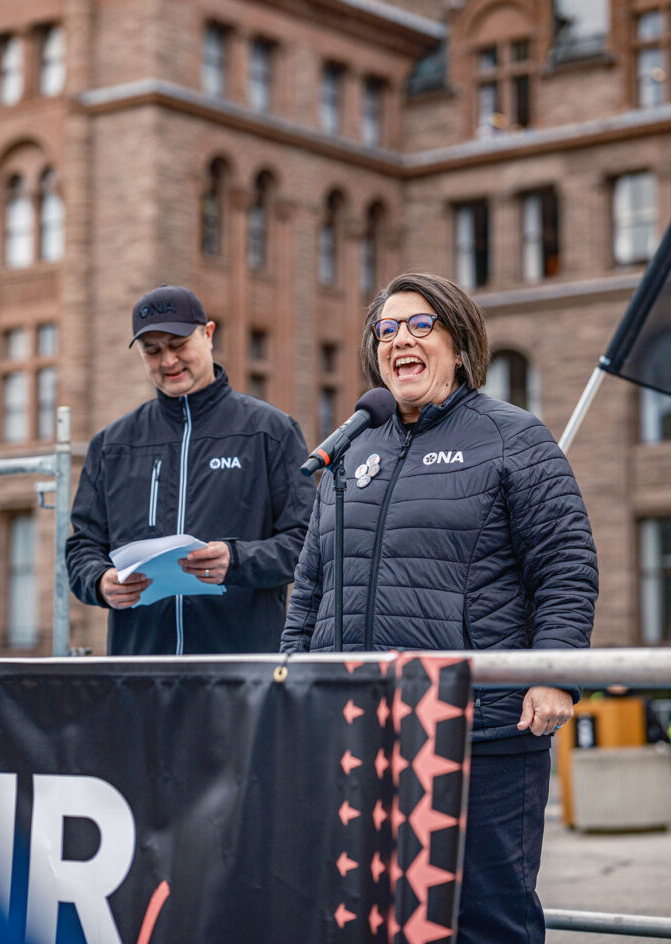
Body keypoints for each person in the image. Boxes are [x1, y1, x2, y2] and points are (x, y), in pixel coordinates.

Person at [281, 272, 598, 944]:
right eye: (387, 329)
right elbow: (308, 587)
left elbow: (566, 567)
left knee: (484, 920)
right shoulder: (348, 450)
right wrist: (291, 680)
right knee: (369, 918)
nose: (400, 338)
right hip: (357, 732)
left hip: (478, 733)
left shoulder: (512, 438)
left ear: (459, 345)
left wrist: (554, 672)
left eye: (419, 324)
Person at [66, 284, 315, 656]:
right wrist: (100, 582)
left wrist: (237, 560)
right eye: (152, 351)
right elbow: (82, 546)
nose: (168, 361)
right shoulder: (112, 445)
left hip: (242, 673)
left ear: (208, 335)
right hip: (141, 674)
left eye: (178, 344)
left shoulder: (269, 432)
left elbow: (310, 542)